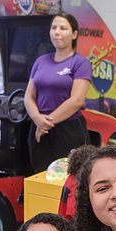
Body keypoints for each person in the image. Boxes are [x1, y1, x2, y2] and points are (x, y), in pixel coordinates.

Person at [24, 13, 92, 174]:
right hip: (39, 127)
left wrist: (46, 123)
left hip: (68, 129)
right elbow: (29, 96)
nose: (57, 32)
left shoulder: (80, 63)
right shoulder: (41, 61)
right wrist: (37, 119)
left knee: (71, 176)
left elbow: (76, 100)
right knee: (41, 174)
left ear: (74, 34)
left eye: (63, 28)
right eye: (54, 28)